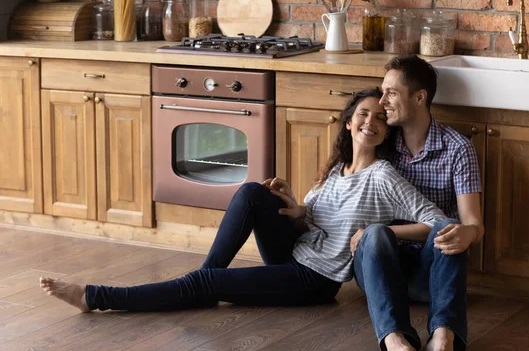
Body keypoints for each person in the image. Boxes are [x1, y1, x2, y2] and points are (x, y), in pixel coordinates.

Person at [39, 88, 447, 319]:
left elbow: (437, 222)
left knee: (206, 282)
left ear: (385, 132)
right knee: (255, 192)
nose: (370, 123)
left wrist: (379, 233)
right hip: (298, 251)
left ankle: (97, 296)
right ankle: (200, 284)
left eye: (379, 118)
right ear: (348, 120)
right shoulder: (338, 168)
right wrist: (294, 204)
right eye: (363, 114)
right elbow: (317, 223)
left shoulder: (384, 176)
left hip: (314, 280)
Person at [352, 55, 485, 351]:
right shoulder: (380, 140)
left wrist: (469, 233)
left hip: (430, 272)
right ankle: (395, 339)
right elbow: (342, 178)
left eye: (391, 93)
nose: (382, 103)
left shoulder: (457, 148)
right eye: (382, 93)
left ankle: (442, 337)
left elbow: (473, 224)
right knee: (375, 235)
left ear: (420, 97)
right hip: (379, 266)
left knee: (448, 227)